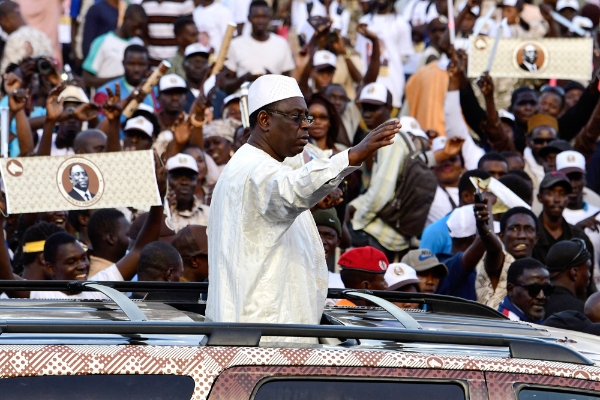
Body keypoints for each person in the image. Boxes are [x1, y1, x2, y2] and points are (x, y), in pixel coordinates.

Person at [206, 74, 399, 333]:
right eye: (296, 117)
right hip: (263, 341)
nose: (306, 126)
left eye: (307, 117)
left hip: (272, 336)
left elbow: (302, 167)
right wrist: (353, 155)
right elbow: (293, 188)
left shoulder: (265, 162)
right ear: (264, 120)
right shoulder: (253, 171)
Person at [221, 0, 295, 94]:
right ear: (249, 18)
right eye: (256, 17)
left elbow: (288, 85)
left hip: (272, 102)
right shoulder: (236, 45)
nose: (260, 21)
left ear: (269, 18)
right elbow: (226, 85)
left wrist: (271, 79)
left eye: (264, 17)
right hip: (243, 101)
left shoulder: (282, 44)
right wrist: (244, 78)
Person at [476, 207, 540, 309]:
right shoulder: (497, 264)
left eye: (528, 229)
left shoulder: (541, 272)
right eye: (514, 228)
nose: (522, 235)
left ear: (536, 237)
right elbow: (494, 250)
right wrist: (483, 227)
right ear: (501, 236)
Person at [354, 0, 413, 111]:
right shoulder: (364, 22)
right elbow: (360, 54)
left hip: (392, 87)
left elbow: (404, 57)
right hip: (367, 87)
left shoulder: (401, 23)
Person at [420, 169, 491, 255]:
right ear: (466, 196)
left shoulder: (493, 227)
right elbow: (424, 267)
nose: (491, 201)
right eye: (485, 195)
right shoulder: (435, 232)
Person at [532, 172, 593, 264]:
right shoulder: (530, 236)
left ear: (568, 198)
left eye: (562, 193)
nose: (557, 199)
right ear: (540, 197)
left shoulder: (578, 237)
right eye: (550, 193)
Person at [82, 5, 147, 90]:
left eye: (141, 28)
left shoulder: (138, 44)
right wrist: (122, 80)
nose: (138, 32)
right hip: (104, 98)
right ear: (125, 19)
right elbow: (87, 79)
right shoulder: (103, 41)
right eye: (135, 26)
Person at [93, 45, 159, 114]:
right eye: (131, 64)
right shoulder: (104, 92)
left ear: (147, 65)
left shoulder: (154, 90)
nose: (136, 69)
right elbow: (98, 123)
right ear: (123, 63)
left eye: (141, 64)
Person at [0, 0, 53, 74]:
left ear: (5, 20)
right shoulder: (41, 35)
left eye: (1, 25)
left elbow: (7, 74)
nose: (3, 29)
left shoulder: (14, 39)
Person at [545, 239, 592, 317]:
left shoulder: (538, 303)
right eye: (588, 269)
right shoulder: (580, 312)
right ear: (574, 272)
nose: (589, 275)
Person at [498, 258, 552, 323]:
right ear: (511, 289)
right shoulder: (508, 326)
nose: (542, 296)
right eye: (533, 289)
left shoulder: (531, 318)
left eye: (547, 289)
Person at [142, 0, 194, 65]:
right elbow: (144, 34)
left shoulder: (184, 2)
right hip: (152, 63)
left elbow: (190, 32)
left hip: (177, 64)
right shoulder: (145, 2)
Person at [167, 153, 210, 231]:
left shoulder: (209, 214)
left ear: (197, 180)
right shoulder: (157, 215)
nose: (184, 182)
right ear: (167, 180)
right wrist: (166, 211)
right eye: (177, 177)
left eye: (190, 177)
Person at [87, 209, 130, 278]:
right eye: (128, 235)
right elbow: (138, 250)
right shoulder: (100, 276)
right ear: (111, 238)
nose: (130, 239)